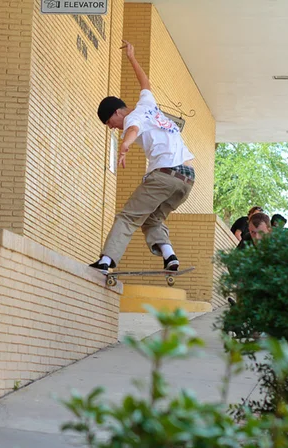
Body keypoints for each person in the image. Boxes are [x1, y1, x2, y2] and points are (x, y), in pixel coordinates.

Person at [89, 40, 195, 274]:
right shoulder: (148, 104)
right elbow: (145, 82)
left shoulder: (132, 118)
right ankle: (170, 257)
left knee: (128, 216)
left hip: (165, 175)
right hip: (186, 179)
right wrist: (131, 57)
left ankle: (106, 262)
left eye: (109, 123)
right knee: (152, 219)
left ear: (118, 112)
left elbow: (133, 130)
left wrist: (125, 145)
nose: (111, 128)